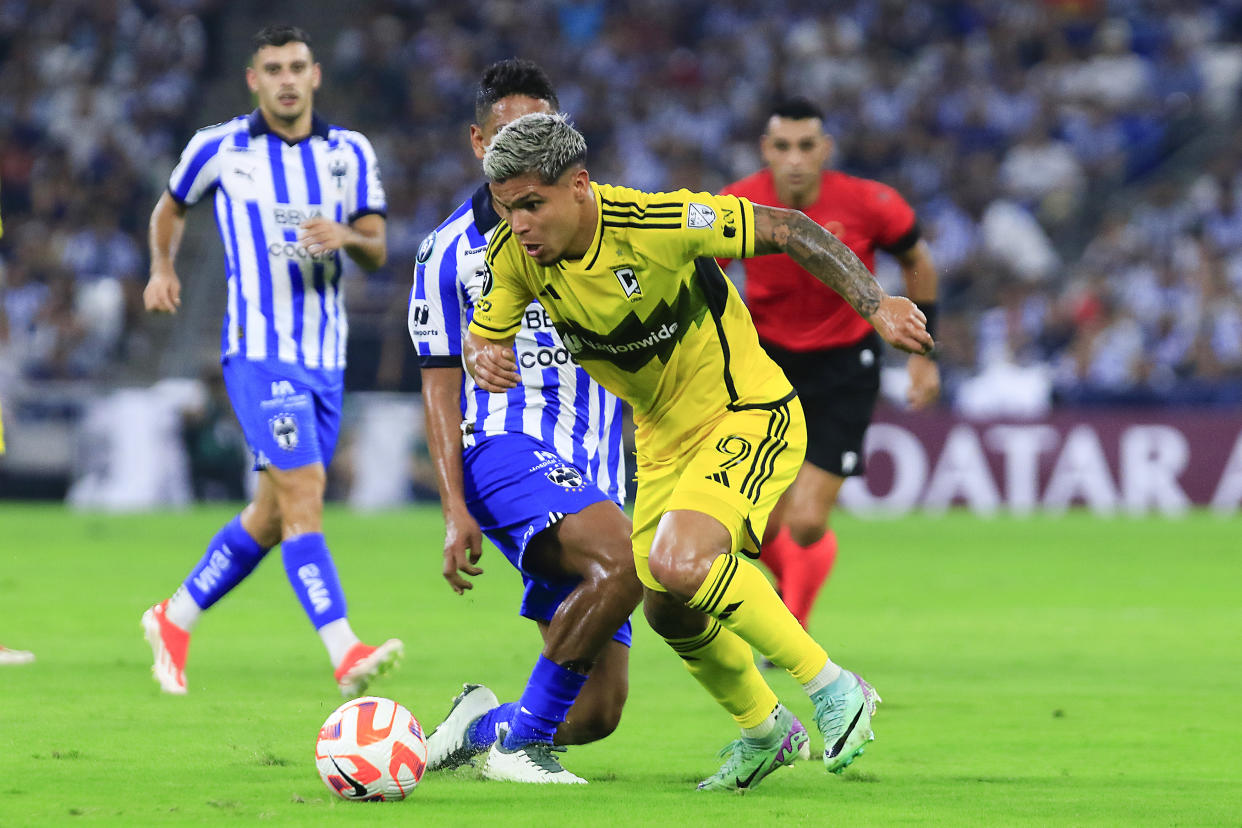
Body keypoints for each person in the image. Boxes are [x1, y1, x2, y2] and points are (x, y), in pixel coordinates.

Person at [467, 112, 933, 791]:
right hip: (660, 448)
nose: (521, 224)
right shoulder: (514, 256)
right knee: (667, 605)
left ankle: (834, 687)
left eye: (534, 204)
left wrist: (876, 302)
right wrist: (484, 351)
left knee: (681, 562)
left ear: (580, 185)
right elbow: (488, 331)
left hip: (745, 412)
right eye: (508, 210)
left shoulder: (660, 223)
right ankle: (765, 730)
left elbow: (790, 229)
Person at [141, 24, 400, 697]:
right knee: (306, 493)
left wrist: (344, 234)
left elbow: (376, 243)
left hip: (325, 358)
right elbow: (169, 207)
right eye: (273, 69)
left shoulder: (350, 154)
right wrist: (161, 267)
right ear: (253, 79)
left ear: (315, 76)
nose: (286, 79)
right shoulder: (220, 148)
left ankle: (175, 615)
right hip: (259, 354)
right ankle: (344, 649)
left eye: (297, 67)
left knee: (272, 513)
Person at [410, 60, 640, 785]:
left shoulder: (604, 222)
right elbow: (439, 386)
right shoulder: (448, 253)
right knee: (633, 562)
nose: (526, 148)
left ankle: (478, 727)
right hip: (504, 452)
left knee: (597, 711)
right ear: (480, 143)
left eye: (543, 132)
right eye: (511, 134)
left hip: (595, 471)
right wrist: (453, 510)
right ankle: (519, 748)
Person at [721, 97, 940, 630]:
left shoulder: (870, 203)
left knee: (807, 521)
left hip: (846, 364)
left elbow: (917, 260)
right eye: (783, 147)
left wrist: (923, 355)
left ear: (825, 150)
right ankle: (791, 606)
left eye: (805, 146)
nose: (794, 158)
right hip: (768, 365)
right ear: (765, 151)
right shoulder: (738, 203)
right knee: (756, 527)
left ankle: (793, 616)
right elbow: (702, 271)